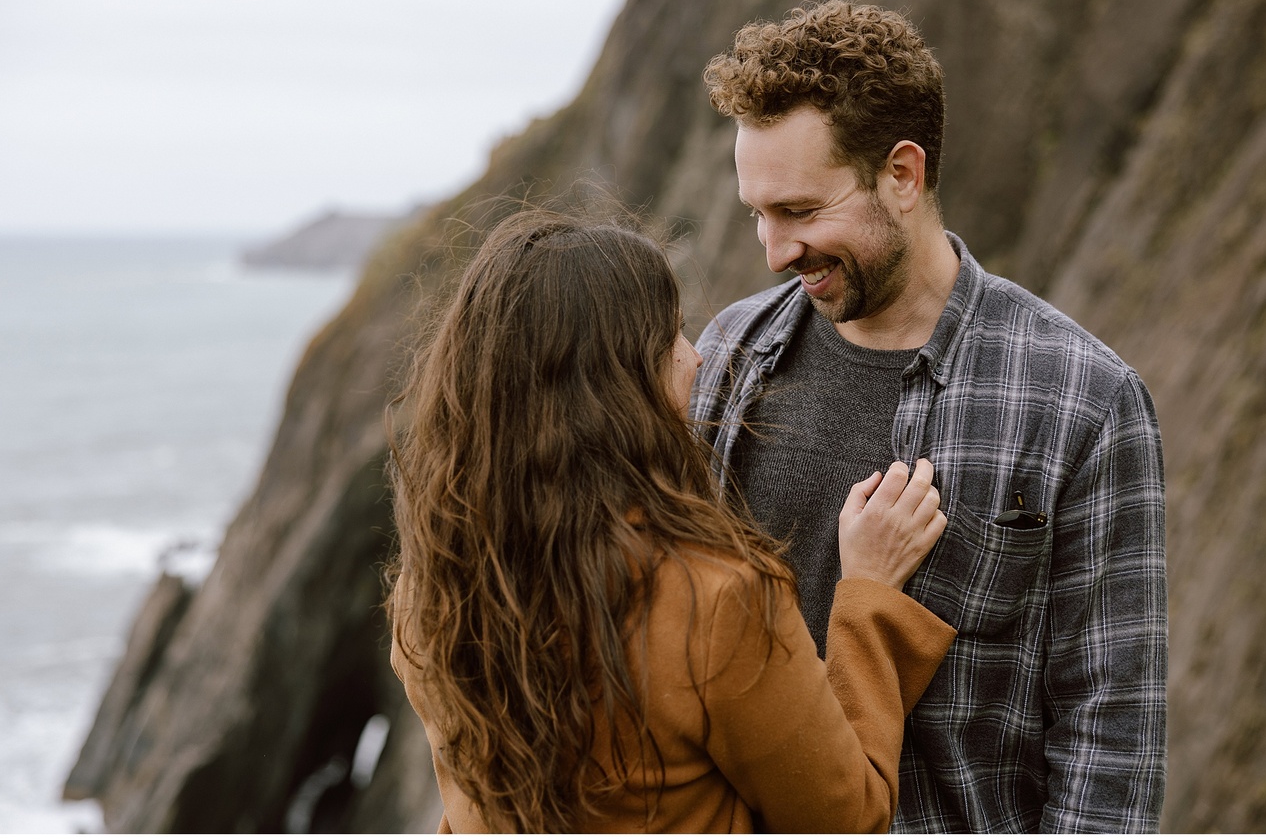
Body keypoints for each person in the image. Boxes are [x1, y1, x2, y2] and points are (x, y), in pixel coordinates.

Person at [694, 0, 1167, 832]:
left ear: (903, 176)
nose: (773, 251)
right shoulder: (726, 357)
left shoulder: (1084, 399)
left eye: (801, 211)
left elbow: (1111, 744)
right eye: (757, 214)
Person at [384, 208, 956, 833]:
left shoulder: (432, 591)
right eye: (672, 336)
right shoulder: (715, 601)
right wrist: (870, 593)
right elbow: (847, 817)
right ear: (616, 384)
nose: (696, 358)